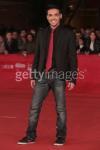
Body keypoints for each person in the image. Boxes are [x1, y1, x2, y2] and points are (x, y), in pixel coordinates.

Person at [18, 4, 77, 146]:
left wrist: (72, 77)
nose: (53, 18)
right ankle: (30, 136)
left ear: (60, 16)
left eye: (56, 15)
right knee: (34, 107)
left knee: (61, 109)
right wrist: (33, 75)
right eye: (50, 15)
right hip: (42, 76)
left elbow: (72, 57)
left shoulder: (68, 33)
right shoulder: (42, 33)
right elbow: (37, 55)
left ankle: (61, 137)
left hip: (59, 76)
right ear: (47, 17)